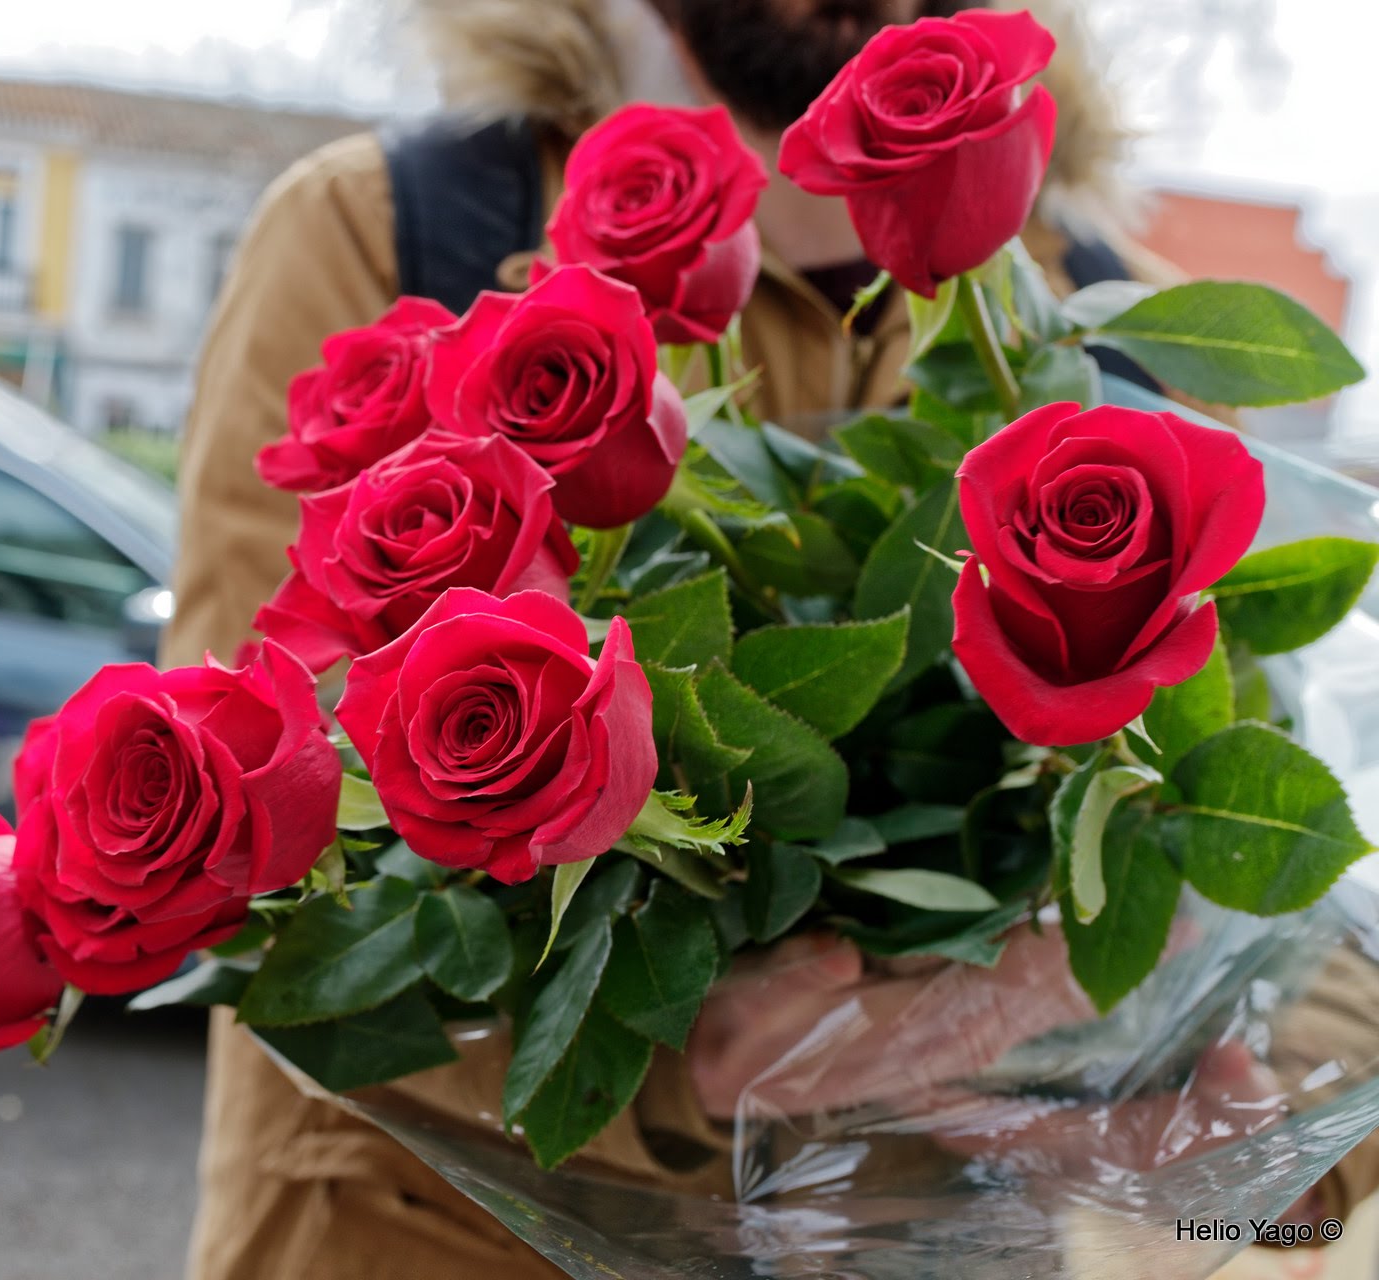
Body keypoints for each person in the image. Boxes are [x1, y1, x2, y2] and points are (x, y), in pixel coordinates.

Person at [163, 2, 1379, 1276]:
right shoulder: (396, 225)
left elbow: (1313, 852)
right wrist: (684, 1064)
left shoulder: (1108, 327)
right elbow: (235, 844)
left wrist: (1250, 1141)